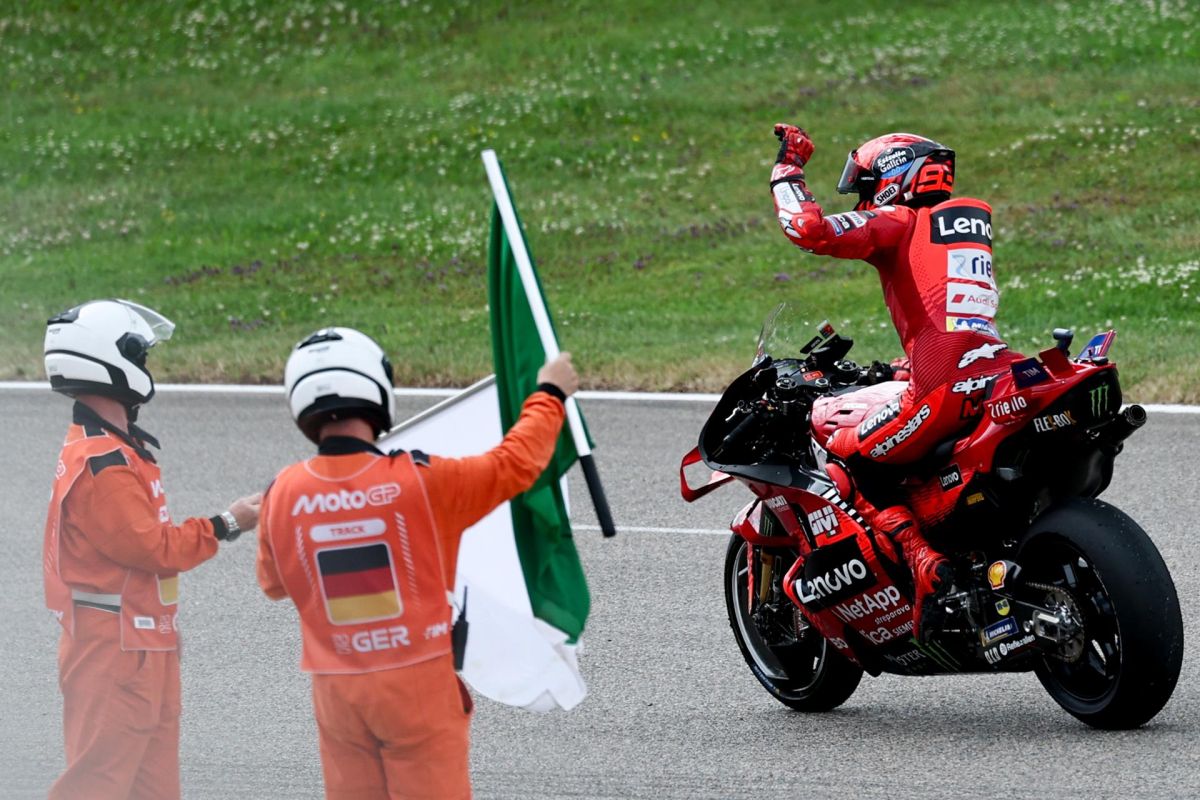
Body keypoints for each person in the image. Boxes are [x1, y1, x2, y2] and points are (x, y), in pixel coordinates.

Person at [256, 327, 579, 800]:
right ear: (374, 388)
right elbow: (515, 464)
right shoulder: (422, 481)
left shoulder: (280, 492)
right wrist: (549, 394)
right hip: (416, 687)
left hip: (337, 693)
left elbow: (272, 584)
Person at [769, 124, 1024, 640]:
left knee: (847, 454)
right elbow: (954, 316)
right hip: (996, 370)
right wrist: (907, 365)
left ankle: (925, 564)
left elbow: (808, 230)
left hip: (941, 387)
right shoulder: (966, 224)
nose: (862, 201)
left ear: (892, 179)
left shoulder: (899, 220)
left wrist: (787, 170)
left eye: (865, 187)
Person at [41, 298, 261, 800]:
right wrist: (228, 522)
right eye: (139, 356)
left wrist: (161, 629)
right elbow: (155, 549)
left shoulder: (115, 449)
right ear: (109, 362)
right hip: (114, 652)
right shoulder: (103, 466)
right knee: (96, 786)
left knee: (154, 789)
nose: (145, 366)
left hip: (139, 644)